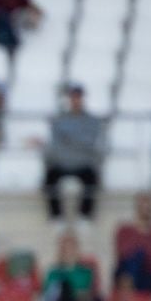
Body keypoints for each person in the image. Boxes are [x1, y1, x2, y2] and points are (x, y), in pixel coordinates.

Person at [42, 84, 105, 225]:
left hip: (83, 163)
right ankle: (56, 215)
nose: (76, 101)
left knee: (92, 177)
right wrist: (78, 141)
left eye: (78, 97)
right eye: (73, 97)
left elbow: (91, 143)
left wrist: (68, 138)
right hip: (63, 162)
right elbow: (56, 145)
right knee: (49, 177)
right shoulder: (59, 120)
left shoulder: (92, 121)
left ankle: (85, 215)